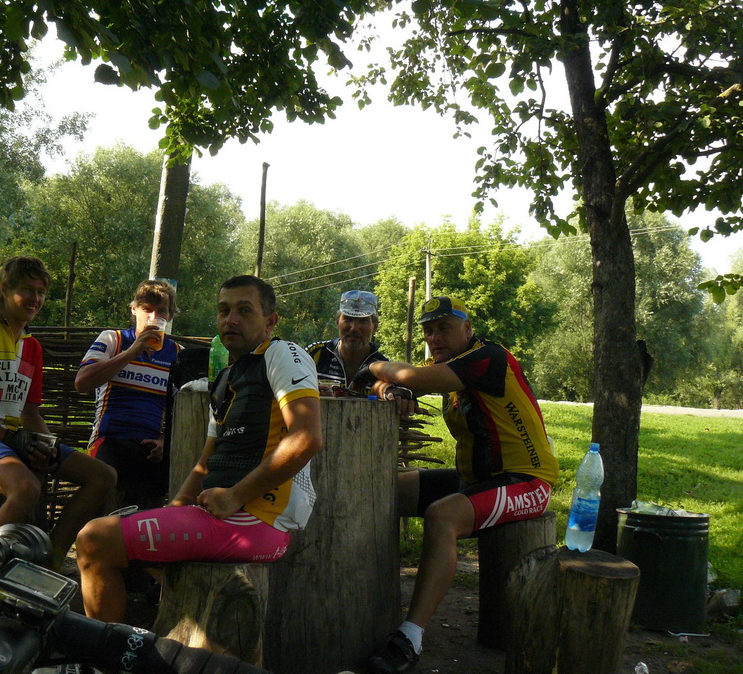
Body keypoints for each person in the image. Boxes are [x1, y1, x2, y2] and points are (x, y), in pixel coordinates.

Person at [75, 275, 323, 623]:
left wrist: (235, 495)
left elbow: (307, 437)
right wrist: (175, 508)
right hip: (223, 516)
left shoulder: (283, 353)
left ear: (270, 321)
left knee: (94, 540)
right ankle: (166, 638)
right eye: (223, 310)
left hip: (254, 521)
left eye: (244, 311)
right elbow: (206, 462)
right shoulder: (224, 380)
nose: (231, 319)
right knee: (121, 538)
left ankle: (109, 649)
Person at [359, 296, 559, 674]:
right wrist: (390, 389)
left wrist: (373, 365)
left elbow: (410, 378)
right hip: (477, 479)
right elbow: (400, 383)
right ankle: (367, 600)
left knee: (443, 516)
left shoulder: (488, 358)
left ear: (467, 329)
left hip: (527, 481)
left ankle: (410, 637)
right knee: (384, 490)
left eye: (444, 328)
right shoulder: (447, 367)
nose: (434, 337)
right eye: (428, 331)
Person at [0, 256, 116, 569]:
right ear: (4, 289)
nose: (35, 298)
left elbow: (30, 413)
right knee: (25, 488)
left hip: (12, 437)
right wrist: (9, 438)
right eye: (26, 289)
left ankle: (51, 561)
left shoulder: (32, 347)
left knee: (102, 476)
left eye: (41, 292)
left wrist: (48, 444)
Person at [74, 279, 180, 511]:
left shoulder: (177, 354)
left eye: (161, 311)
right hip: (109, 438)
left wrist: (165, 440)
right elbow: (82, 382)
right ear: (134, 310)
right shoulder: (113, 339)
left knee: (176, 478)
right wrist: (132, 352)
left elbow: (182, 411)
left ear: (170, 316)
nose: (153, 317)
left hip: (151, 445)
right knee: (110, 480)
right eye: (147, 309)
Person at [305, 289, 389, 391]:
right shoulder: (314, 354)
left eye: (363, 321)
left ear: (374, 327)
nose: (354, 328)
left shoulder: (384, 367)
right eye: (348, 319)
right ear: (337, 323)